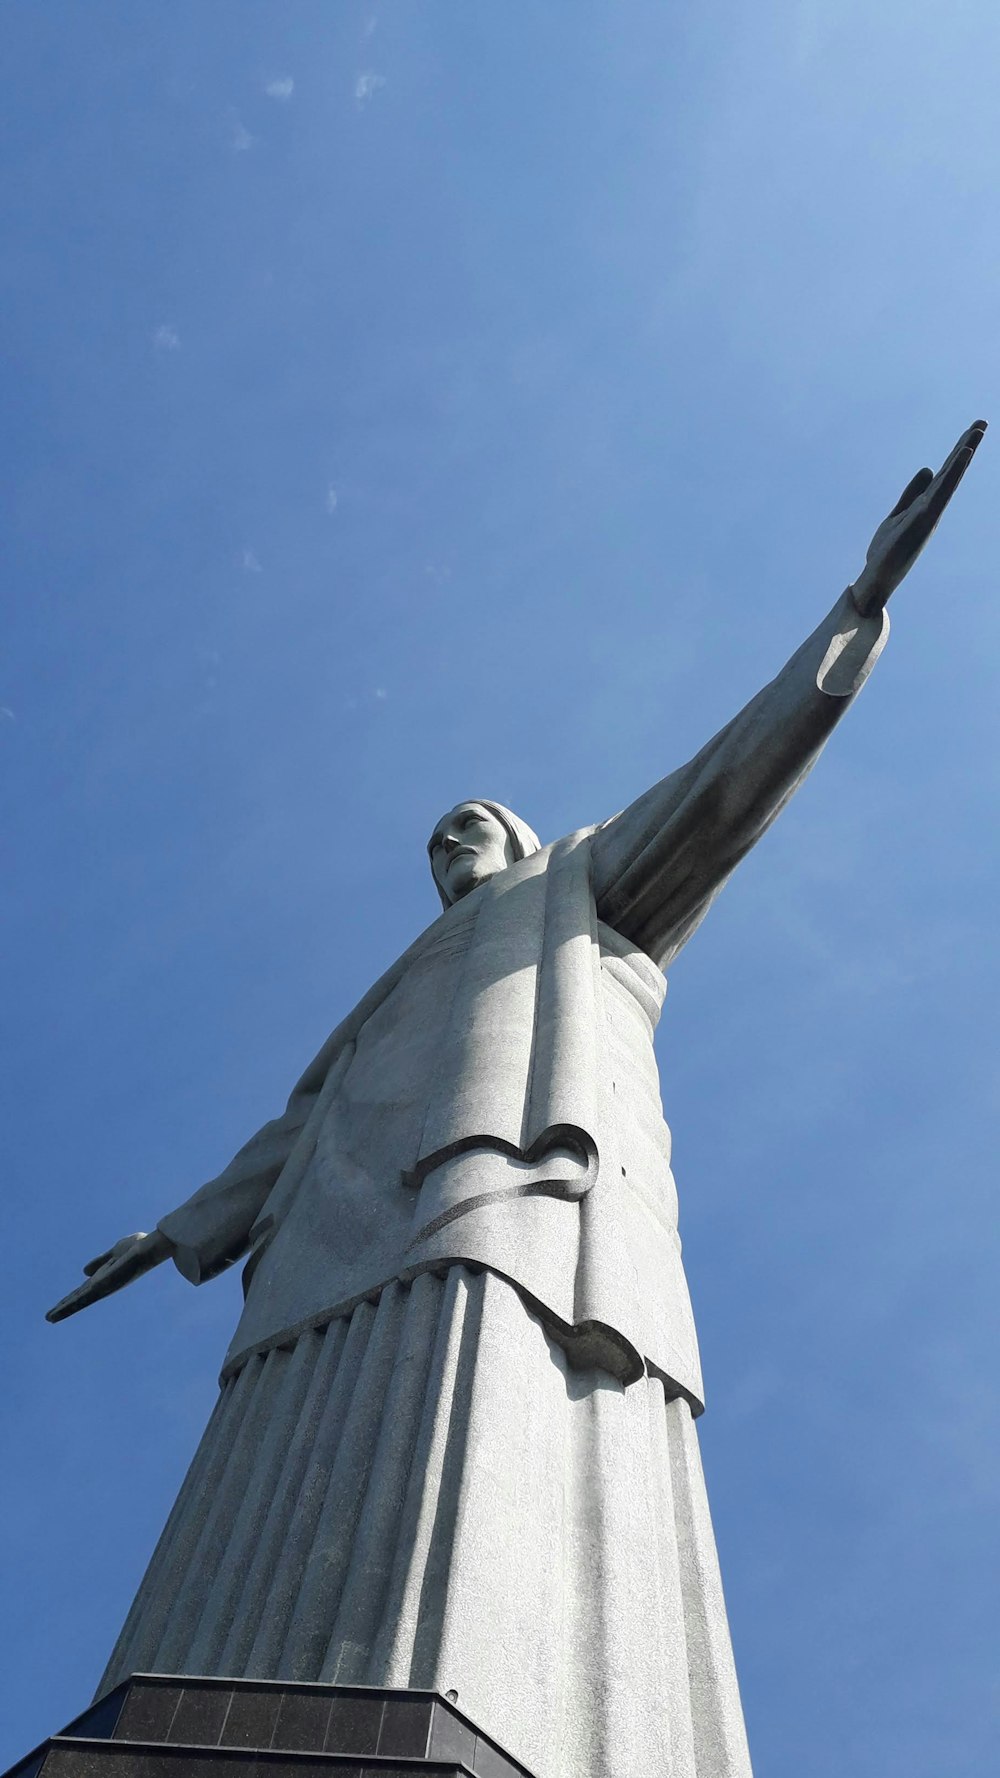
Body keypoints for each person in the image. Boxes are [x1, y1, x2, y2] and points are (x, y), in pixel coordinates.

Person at [48, 424, 985, 1778]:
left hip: (498, 1178)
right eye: (433, 840)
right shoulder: (375, 1006)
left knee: (469, 1384)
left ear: (523, 840)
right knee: (278, 1457)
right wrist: (178, 1229)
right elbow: (291, 1129)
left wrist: (859, 611)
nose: (446, 849)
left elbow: (726, 784)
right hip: (322, 1241)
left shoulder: (585, 892)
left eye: (468, 828)